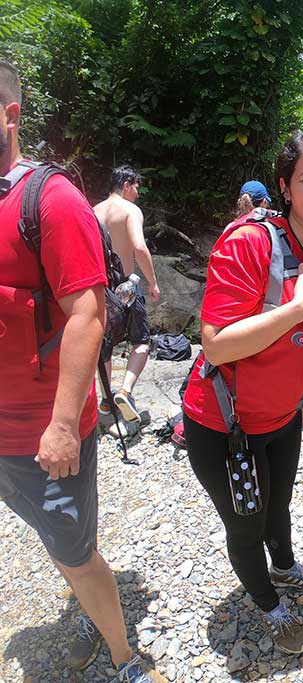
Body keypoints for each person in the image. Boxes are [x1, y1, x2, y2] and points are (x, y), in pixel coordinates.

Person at [0, 61, 160, 682]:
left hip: (44, 434)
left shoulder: (53, 197)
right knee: (57, 539)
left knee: (71, 546)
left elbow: (87, 315)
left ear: (10, 114)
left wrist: (65, 424)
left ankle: (126, 657)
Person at [181, 129, 303, 654]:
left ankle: (286, 568)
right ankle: (270, 607)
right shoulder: (249, 242)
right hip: (225, 425)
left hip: (284, 416)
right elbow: (217, 345)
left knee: (280, 504)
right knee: (246, 523)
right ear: (284, 186)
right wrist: (297, 309)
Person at [92, 167, 160, 424]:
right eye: (137, 187)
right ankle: (125, 391)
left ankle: (107, 400)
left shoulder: (93, 211)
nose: (138, 193)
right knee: (141, 341)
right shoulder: (131, 211)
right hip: (126, 286)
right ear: (127, 184)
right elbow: (139, 247)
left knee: (104, 346)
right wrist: (153, 282)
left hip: (100, 286)